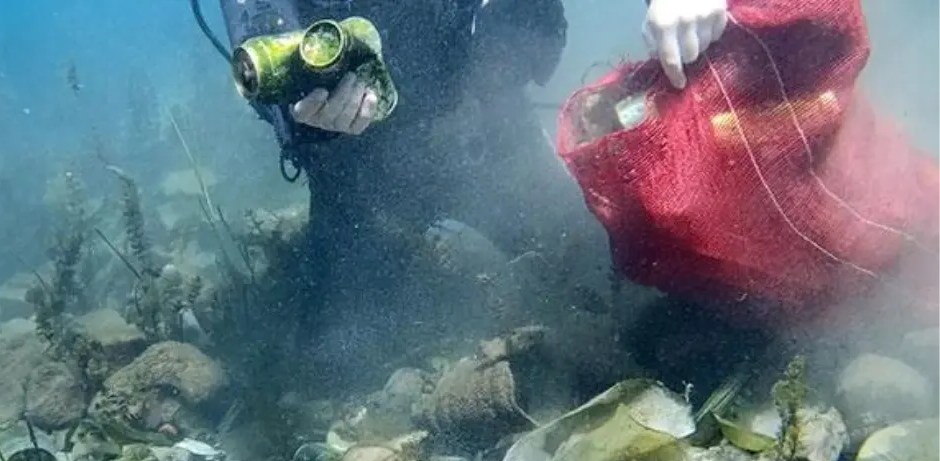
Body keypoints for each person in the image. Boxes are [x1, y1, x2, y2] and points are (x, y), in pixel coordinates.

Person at [214, 0, 728, 393]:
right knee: (338, 365)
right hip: (356, 169)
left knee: (613, 280)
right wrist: (297, 108)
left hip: (484, 128)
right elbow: (259, 35)